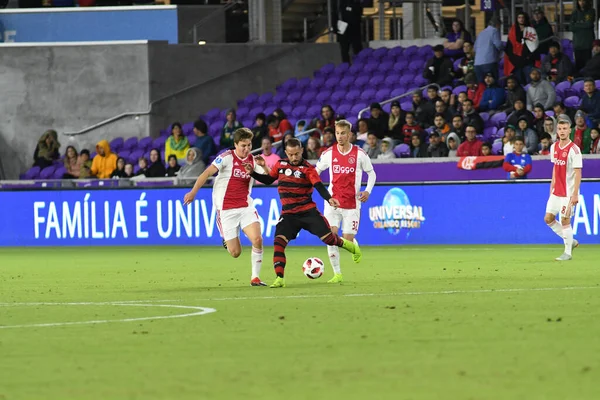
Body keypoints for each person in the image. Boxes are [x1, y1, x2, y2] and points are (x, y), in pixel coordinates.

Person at [246, 138, 362, 288]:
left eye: (296, 154)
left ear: (301, 151)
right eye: (291, 154)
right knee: (278, 243)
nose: (294, 158)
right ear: (286, 153)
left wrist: (329, 198)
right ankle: (279, 278)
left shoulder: (308, 168)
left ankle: (352, 247)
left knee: (329, 239)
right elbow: (269, 180)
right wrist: (253, 173)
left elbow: (319, 186)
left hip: (308, 212)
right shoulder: (280, 165)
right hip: (288, 215)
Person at [183, 128, 266, 286]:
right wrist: (193, 192)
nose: (247, 148)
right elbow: (206, 173)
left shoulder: (253, 160)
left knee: (257, 239)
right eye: (243, 145)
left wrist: (265, 166)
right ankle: (226, 240)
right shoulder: (226, 158)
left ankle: (255, 277)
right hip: (226, 210)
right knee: (235, 253)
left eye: (249, 145)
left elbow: (267, 178)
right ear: (235, 144)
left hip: (245, 206)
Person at [312, 120, 376, 283]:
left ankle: (354, 246)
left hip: (352, 205)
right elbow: (315, 172)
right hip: (333, 203)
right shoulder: (328, 154)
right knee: (331, 236)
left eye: (343, 133)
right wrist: (320, 191)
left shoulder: (360, 154)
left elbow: (372, 174)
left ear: (350, 135)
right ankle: (337, 273)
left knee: (346, 241)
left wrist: (367, 191)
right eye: (337, 133)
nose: (340, 137)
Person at [543, 116, 583, 261]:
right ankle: (570, 241)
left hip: (568, 192)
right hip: (557, 191)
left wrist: (575, 194)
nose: (562, 131)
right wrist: (551, 186)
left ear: (569, 131)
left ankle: (568, 253)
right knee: (548, 218)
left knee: (565, 220)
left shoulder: (574, 150)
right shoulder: (554, 147)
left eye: (565, 129)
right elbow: (555, 167)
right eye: (560, 129)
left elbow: (578, 173)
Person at [474, 16, 503, 83]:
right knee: (493, 83)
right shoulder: (494, 31)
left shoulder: (481, 33)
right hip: (489, 62)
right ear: (498, 25)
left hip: (477, 63)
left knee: (481, 85)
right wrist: (504, 48)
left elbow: (475, 48)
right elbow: (498, 45)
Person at [570, 0, 596, 72]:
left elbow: (589, 24)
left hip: (587, 44)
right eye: (580, 1)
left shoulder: (591, 11)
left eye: (583, 0)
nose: (582, 2)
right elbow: (571, 27)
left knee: (588, 66)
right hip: (577, 44)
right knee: (578, 66)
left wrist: (577, 24)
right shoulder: (575, 12)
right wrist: (582, 23)